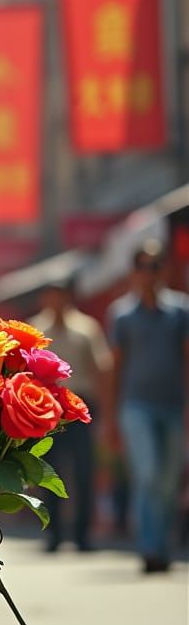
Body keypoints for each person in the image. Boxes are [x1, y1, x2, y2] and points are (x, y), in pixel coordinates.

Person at [107, 240, 189, 574]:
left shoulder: (181, 311)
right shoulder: (122, 315)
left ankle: (162, 545)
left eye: (155, 265)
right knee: (149, 473)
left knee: (168, 481)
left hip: (172, 407)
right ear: (134, 272)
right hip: (135, 408)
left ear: (164, 270)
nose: (149, 273)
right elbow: (115, 367)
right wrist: (110, 418)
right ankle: (150, 548)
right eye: (143, 266)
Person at [29, 278, 112, 551]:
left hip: (80, 408)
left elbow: (102, 369)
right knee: (48, 471)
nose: (56, 302)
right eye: (51, 296)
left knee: (83, 470)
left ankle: (82, 534)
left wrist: (106, 414)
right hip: (46, 409)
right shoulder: (36, 330)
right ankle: (52, 533)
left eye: (60, 295)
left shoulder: (86, 329)